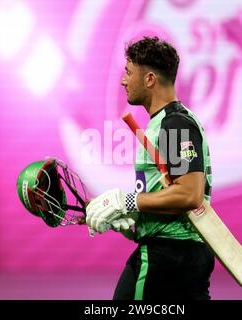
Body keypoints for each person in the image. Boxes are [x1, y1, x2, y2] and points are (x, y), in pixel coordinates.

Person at [85, 36, 214, 300]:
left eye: (128, 72)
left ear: (150, 80)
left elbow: (189, 195)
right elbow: (165, 196)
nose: (123, 81)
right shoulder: (163, 124)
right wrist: (129, 223)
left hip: (166, 258)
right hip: (182, 255)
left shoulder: (174, 124)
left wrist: (127, 202)